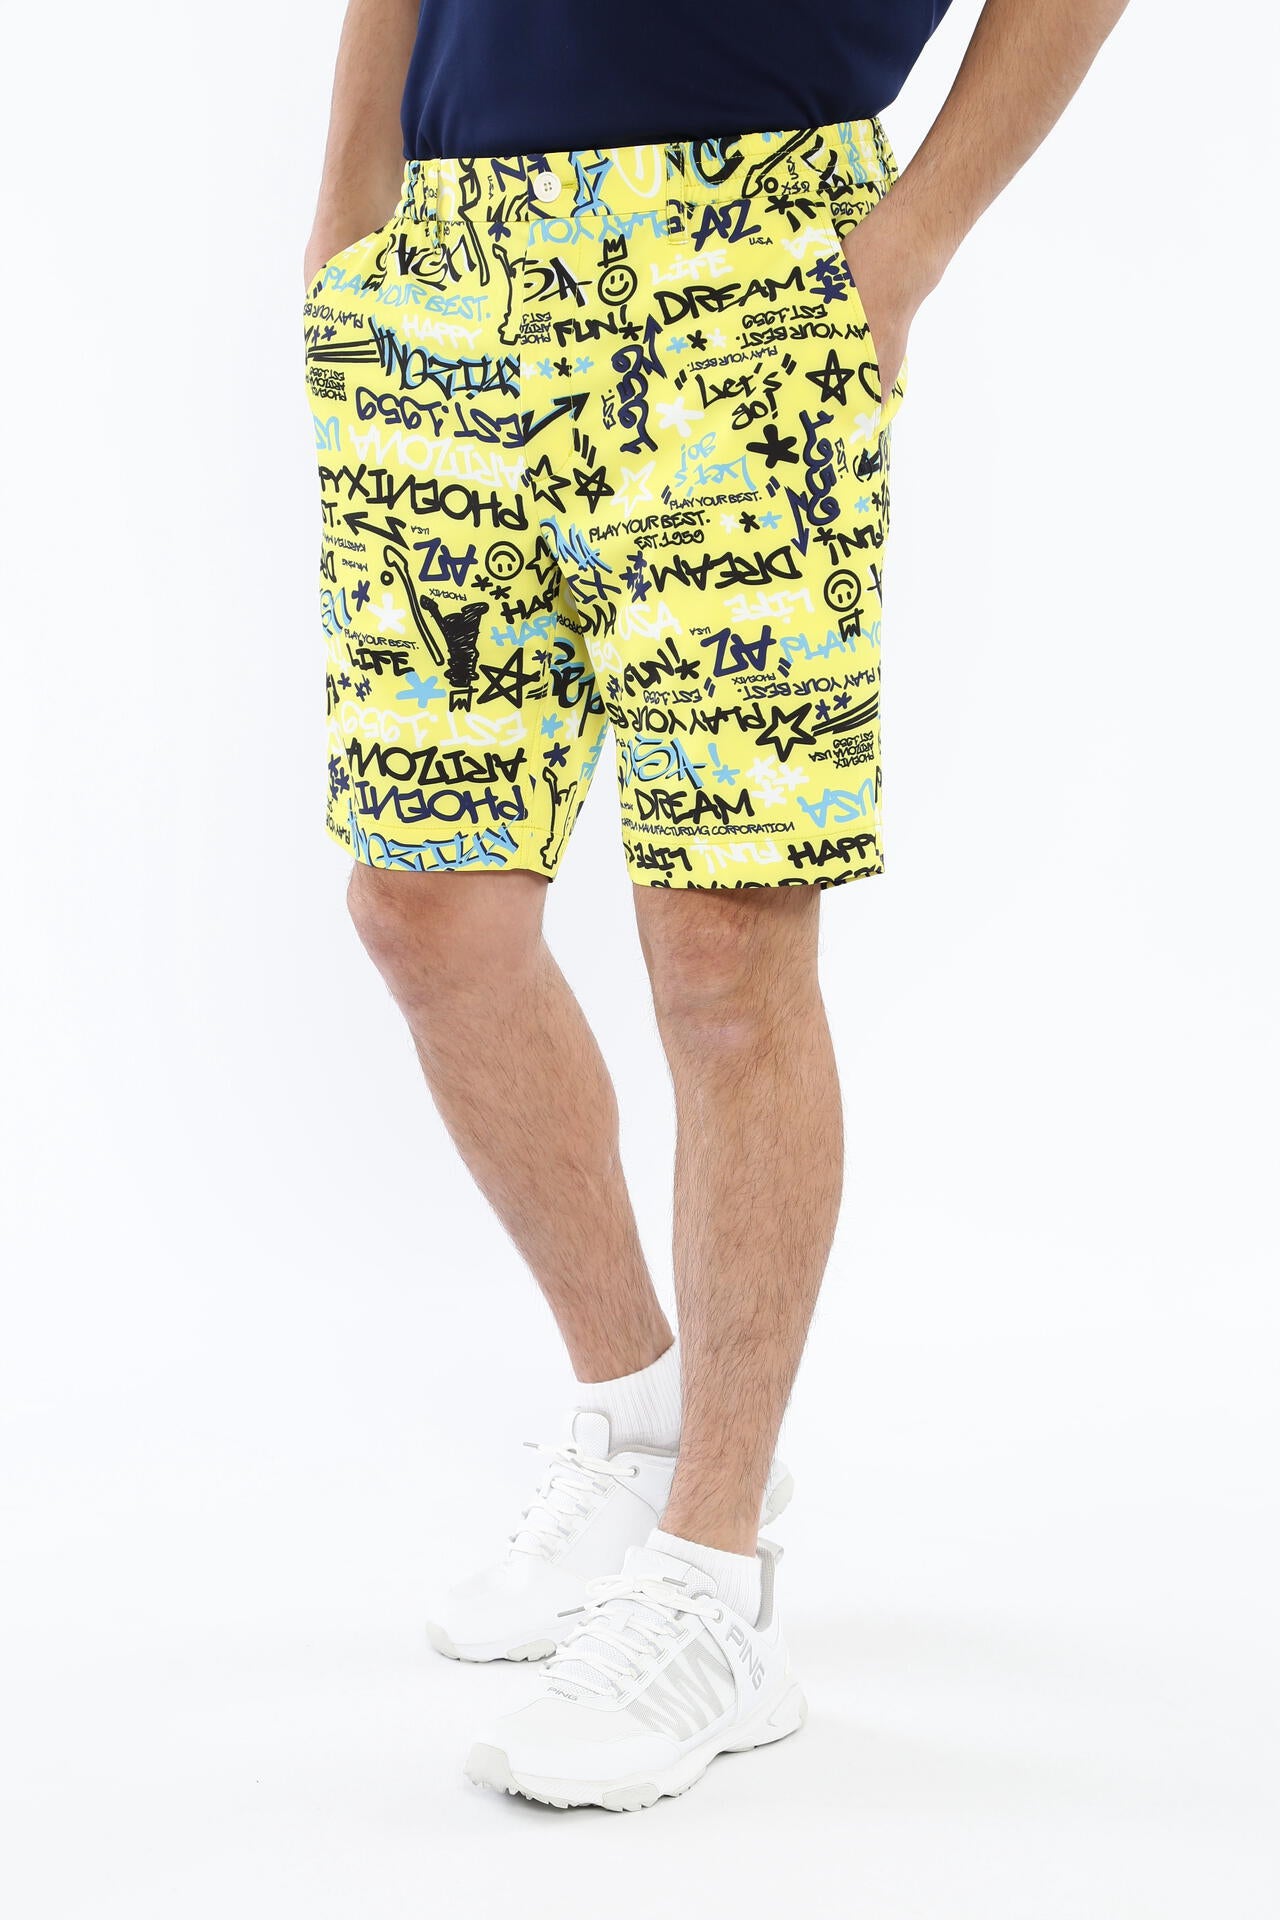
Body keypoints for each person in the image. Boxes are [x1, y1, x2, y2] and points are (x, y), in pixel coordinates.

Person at [302, 0, 1129, 1812]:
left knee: (726, 952)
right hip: (450, 273)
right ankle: (635, 1411)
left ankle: (712, 1575)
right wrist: (351, 199)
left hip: (750, 272)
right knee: (425, 910)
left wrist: (902, 250)